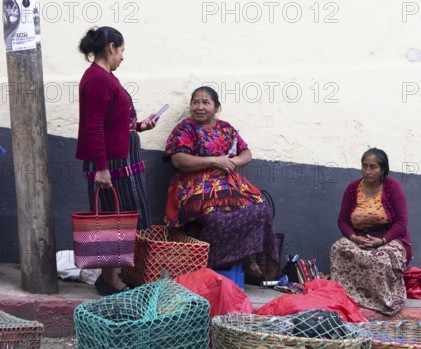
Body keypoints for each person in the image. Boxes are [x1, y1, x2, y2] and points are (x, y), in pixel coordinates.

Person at [76, 26, 158, 295]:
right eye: (121, 50)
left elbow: (113, 121)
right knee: (112, 221)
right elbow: (94, 126)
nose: (122, 56)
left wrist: (141, 126)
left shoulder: (105, 76)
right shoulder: (98, 79)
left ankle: (113, 275)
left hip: (120, 163)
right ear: (111, 47)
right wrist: (101, 167)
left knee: (118, 219)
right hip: (110, 165)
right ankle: (109, 279)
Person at [163, 86, 278, 273]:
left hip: (229, 184)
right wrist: (214, 161)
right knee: (216, 217)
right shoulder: (185, 128)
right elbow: (178, 160)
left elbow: (246, 152)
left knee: (260, 207)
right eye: (195, 102)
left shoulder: (226, 128)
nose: (199, 107)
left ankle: (248, 257)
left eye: (206, 102)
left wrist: (236, 161)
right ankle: (208, 266)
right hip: (196, 186)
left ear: (216, 108)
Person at [329, 148, 412, 316]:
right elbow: (343, 221)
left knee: (381, 259)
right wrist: (355, 239)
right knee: (338, 248)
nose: (367, 171)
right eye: (364, 166)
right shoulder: (353, 189)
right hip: (360, 238)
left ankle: (382, 300)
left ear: (383, 170)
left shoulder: (392, 187)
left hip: (389, 239)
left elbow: (401, 222)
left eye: (373, 167)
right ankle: (350, 295)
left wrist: (382, 241)